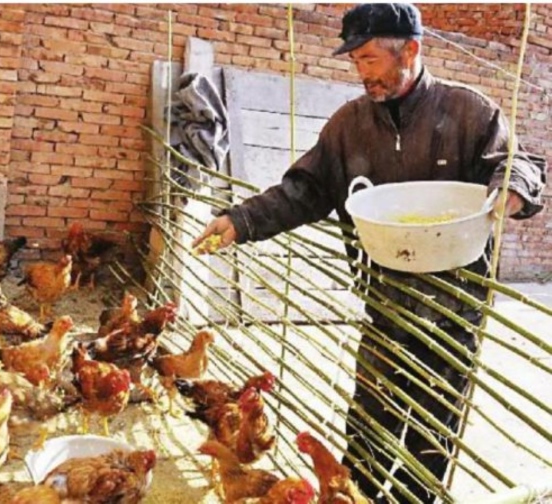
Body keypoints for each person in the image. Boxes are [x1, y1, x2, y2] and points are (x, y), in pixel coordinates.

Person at [192, 3, 547, 502]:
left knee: (430, 434)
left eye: (370, 59)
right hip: (385, 301)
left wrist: (513, 187)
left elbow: (520, 165)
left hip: (453, 311)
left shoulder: (469, 112)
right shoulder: (350, 125)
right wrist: (241, 220)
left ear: (411, 50)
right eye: (355, 61)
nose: (362, 73)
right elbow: (304, 190)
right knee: (369, 420)